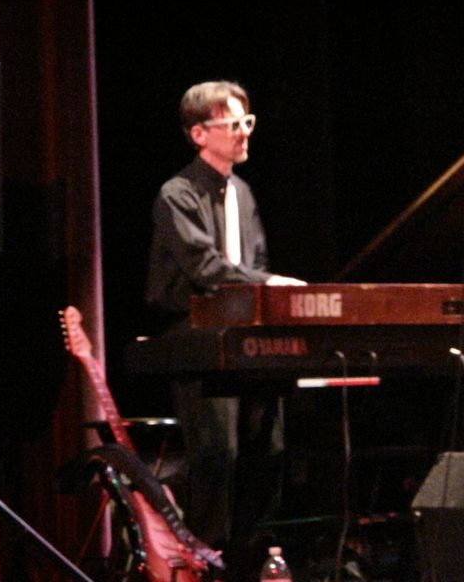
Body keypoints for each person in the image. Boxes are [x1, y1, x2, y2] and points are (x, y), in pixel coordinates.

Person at [145, 80, 305, 581]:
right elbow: (206, 268)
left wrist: (267, 289)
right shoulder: (176, 194)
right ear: (199, 134)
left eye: (247, 122)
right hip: (196, 335)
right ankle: (206, 563)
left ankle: (248, 560)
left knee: (268, 450)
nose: (244, 132)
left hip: (243, 335)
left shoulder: (244, 193)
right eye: (233, 123)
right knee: (219, 455)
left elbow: (253, 261)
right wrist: (268, 283)